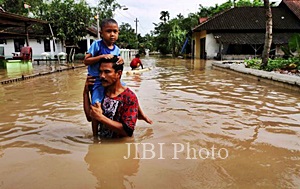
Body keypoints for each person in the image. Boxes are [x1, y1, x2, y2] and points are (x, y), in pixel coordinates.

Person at [84, 19, 151, 135]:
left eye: (115, 31)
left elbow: (127, 131)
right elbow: (86, 60)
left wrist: (121, 59)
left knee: (129, 93)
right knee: (95, 105)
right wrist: (85, 92)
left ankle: (140, 113)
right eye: (108, 31)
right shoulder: (97, 45)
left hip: (112, 82)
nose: (112, 34)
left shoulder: (116, 49)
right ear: (101, 33)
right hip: (96, 81)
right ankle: (95, 135)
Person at [83, 56, 140, 138]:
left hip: (120, 147)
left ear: (118, 74)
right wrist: (85, 92)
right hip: (102, 144)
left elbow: (128, 131)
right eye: (100, 72)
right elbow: (90, 117)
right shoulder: (101, 93)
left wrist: (101, 118)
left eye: (107, 72)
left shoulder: (128, 97)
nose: (102, 76)